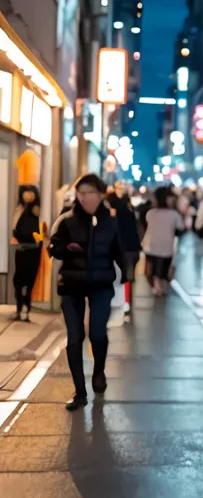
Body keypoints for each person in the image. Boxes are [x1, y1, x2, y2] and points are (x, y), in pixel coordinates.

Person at [48, 173, 125, 412]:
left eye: (89, 192)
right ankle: (80, 392)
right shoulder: (66, 220)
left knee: (98, 333)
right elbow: (54, 247)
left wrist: (127, 273)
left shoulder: (111, 222)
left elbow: (120, 251)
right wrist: (60, 248)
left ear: (100, 194)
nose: (84, 197)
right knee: (74, 338)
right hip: (71, 285)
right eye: (80, 193)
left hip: (101, 284)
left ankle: (99, 371)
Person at [142, 186, 184, 295]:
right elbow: (181, 228)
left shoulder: (150, 213)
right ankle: (161, 285)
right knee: (163, 268)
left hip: (151, 245)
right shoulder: (174, 215)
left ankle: (156, 286)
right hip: (167, 246)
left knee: (153, 268)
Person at [11, 185, 42, 322]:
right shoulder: (19, 209)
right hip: (21, 249)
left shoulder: (36, 210)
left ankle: (26, 309)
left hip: (33, 250)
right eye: (26, 193)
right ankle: (19, 308)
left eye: (31, 193)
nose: (28, 196)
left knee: (30, 281)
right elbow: (15, 228)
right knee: (18, 280)